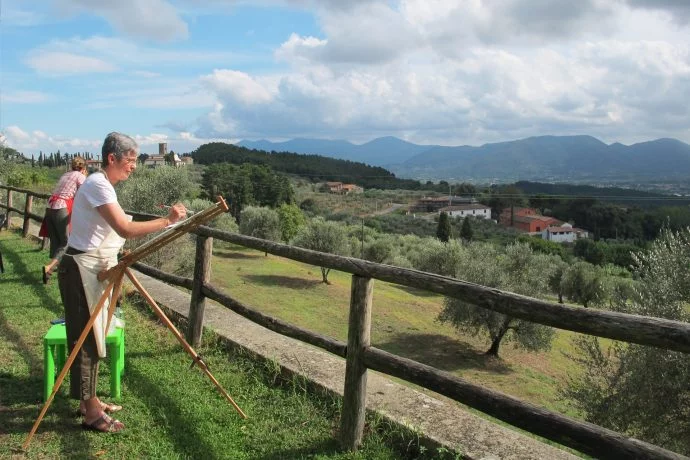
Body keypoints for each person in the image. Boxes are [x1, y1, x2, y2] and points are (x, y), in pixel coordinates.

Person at [58, 132, 186, 433]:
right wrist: (167, 221)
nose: (134, 167)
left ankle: (88, 401)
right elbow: (125, 228)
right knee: (85, 340)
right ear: (112, 158)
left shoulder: (102, 184)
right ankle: (91, 413)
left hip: (88, 270)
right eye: (130, 161)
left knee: (93, 337)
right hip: (79, 270)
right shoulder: (98, 184)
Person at [40, 156, 87, 283]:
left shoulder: (65, 175)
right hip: (61, 207)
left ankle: (54, 270)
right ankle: (49, 267)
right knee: (66, 242)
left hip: (50, 207)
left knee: (56, 240)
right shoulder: (80, 176)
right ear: (83, 168)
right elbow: (85, 192)